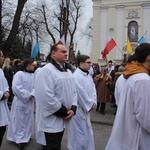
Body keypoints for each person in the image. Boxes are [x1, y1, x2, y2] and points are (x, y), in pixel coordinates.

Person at [106, 43, 150, 150]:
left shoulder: (134, 75)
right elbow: (145, 116)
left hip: (130, 132)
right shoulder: (143, 80)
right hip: (138, 137)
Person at [34, 43, 77, 150]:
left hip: (64, 117)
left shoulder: (68, 71)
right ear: (53, 54)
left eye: (66, 52)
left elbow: (74, 91)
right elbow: (45, 96)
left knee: (57, 145)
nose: (66, 54)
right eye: (63, 52)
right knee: (53, 146)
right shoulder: (46, 71)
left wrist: (73, 108)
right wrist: (64, 112)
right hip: (52, 119)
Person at [68, 55, 97, 150]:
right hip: (79, 110)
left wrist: (93, 102)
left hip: (86, 109)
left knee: (87, 134)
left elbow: (93, 89)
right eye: (88, 62)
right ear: (81, 63)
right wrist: (89, 103)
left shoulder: (88, 75)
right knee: (79, 135)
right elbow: (80, 93)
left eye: (90, 62)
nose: (90, 65)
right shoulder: (76, 76)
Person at [7, 58, 35, 149]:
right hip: (20, 101)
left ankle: (26, 136)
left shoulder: (33, 75)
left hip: (29, 102)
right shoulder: (19, 74)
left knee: (28, 120)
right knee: (20, 121)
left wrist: (32, 94)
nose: (34, 66)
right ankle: (19, 139)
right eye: (32, 64)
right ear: (28, 65)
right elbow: (15, 87)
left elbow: (37, 87)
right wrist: (28, 95)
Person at [0, 50, 10, 147]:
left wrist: (6, 91)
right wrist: (2, 95)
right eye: (2, 56)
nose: (3, 58)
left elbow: (5, 84)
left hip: (2, 106)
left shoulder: (0, 70)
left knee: (2, 129)